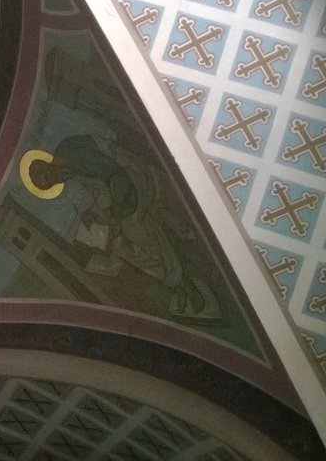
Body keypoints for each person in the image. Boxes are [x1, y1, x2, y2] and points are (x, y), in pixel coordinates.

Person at [27, 134, 216, 321]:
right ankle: (174, 281)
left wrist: (115, 219)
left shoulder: (71, 153)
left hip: (132, 173)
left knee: (132, 228)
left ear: (45, 165)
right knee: (118, 244)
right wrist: (95, 215)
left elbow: (117, 175)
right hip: (118, 189)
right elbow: (101, 188)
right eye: (49, 185)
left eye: (48, 178)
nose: (55, 182)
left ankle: (181, 283)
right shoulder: (67, 170)